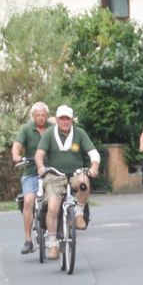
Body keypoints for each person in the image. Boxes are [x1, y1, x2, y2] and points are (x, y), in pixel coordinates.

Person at [34, 105, 101, 260]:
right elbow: (39, 154)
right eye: (62, 118)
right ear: (57, 119)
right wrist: (41, 167)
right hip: (54, 176)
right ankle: (53, 244)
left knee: (84, 182)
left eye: (67, 119)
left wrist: (94, 167)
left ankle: (78, 214)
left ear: (72, 120)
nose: (65, 121)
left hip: (75, 174)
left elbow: (93, 153)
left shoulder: (80, 133)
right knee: (52, 207)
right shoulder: (50, 134)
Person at [11, 102, 50, 254]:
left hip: (50, 171)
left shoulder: (52, 129)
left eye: (43, 115)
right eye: (37, 115)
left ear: (46, 116)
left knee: (56, 199)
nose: (40, 118)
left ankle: (59, 233)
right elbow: (17, 145)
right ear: (33, 116)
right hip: (31, 171)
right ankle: (28, 240)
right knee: (28, 201)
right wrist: (16, 155)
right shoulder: (27, 129)